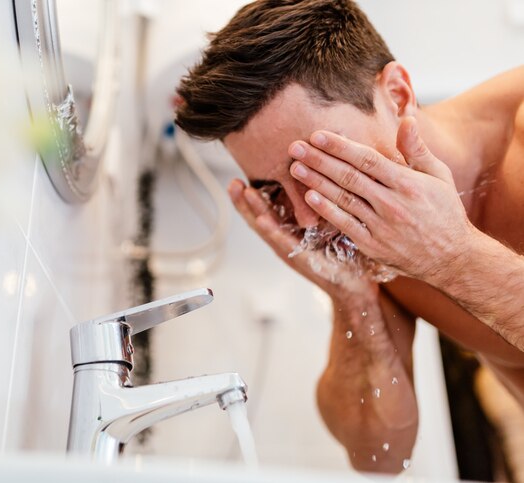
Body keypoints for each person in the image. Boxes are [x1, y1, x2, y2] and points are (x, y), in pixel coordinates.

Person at [174, 0, 524, 474]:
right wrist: (353, 297)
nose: (309, 218)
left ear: (398, 95)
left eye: (323, 167)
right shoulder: (369, 232)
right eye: (274, 188)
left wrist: (452, 257)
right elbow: (379, 452)